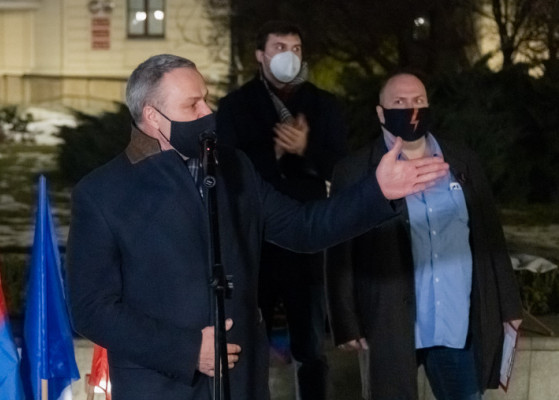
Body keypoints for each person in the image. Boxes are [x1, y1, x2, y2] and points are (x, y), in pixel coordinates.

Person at [66, 54, 449, 400]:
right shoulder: (102, 193)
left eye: (206, 98)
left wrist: (376, 193)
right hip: (162, 387)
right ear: (152, 117)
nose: (208, 110)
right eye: (193, 104)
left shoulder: (234, 168)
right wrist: (184, 350)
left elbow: (304, 227)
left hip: (243, 383)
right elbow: (91, 309)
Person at [326, 72, 523, 399]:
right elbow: (338, 251)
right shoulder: (356, 170)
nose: (410, 109)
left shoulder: (462, 161)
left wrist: (508, 305)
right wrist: (345, 320)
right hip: (391, 322)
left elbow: (490, 237)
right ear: (380, 112)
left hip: (456, 323)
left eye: (418, 101)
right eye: (399, 102)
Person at [217, 21, 347, 399]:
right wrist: (272, 154)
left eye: (295, 48)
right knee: (249, 340)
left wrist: (306, 148)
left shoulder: (323, 106)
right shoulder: (236, 106)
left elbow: (339, 169)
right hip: (255, 244)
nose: (287, 55)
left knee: (310, 347)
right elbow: (227, 170)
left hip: (307, 244)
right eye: (278, 47)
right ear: (260, 55)